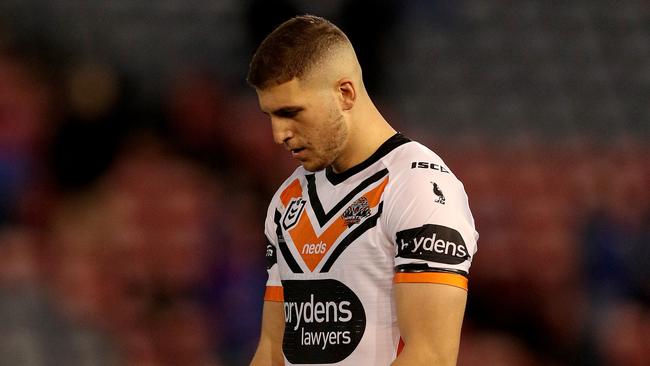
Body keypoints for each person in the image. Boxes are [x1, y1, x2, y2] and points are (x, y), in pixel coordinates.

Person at [246, 15, 478, 366]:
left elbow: (431, 355)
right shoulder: (287, 199)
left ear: (345, 93)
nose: (279, 134)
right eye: (271, 116)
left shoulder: (418, 187)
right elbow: (271, 349)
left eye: (291, 112)